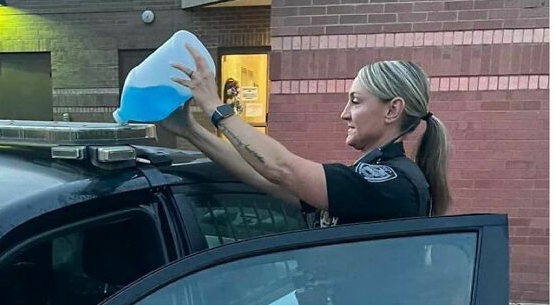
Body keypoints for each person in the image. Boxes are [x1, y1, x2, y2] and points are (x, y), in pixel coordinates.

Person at [164, 46, 450, 224]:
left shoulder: (390, 184)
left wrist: (215, 106)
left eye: (357, 101)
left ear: (393, 110)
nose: (345, 113)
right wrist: (191, 130)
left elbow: (280, 167)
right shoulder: (373, 177)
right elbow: (265, 176)